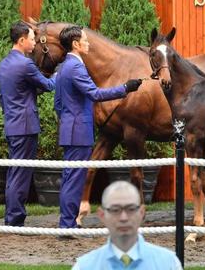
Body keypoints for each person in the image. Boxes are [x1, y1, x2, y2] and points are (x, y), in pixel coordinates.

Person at [55, 25, 143, 229]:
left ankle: (66, 222)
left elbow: (58, 104)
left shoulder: (63, 67)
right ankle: (67, 225)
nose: (88, 43)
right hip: (79, 132)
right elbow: (94, 94)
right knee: (74, 178)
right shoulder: (76, 67)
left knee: (70, 177)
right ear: (76, 44)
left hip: (70, 129)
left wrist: (68, 120)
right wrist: (125, 88)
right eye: (85, 40)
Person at [0, 21, 56, 227]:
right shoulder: (26, 64)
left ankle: (12, 217)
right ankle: (14, 220)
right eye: (31, 39)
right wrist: (60, 72)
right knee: (21, 174)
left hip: (12, 124)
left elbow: (11, 95)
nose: (34, 43)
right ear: (21, 41)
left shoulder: (3, 65)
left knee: (15, 172)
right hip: (25, 126)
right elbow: (48, 85)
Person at [72, 180, 182, 269]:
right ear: (102, 215)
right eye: (115, 210)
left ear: (142, 213)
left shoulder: (169, 264)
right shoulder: (84, 266)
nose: (123, 217)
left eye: (131, 209)